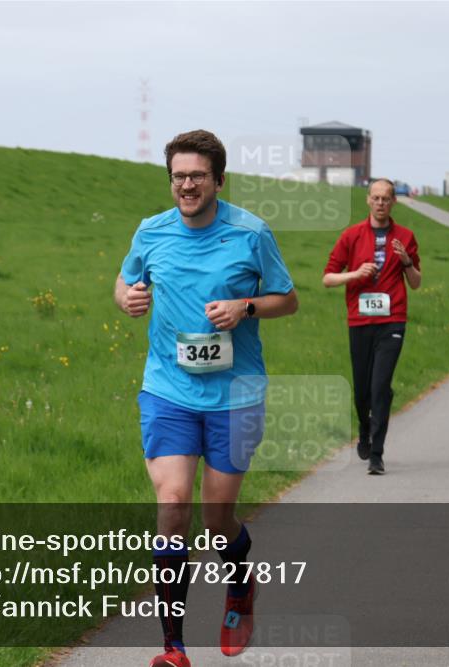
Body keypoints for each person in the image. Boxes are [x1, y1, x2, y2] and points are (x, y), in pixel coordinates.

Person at [115, 129, 298, 667]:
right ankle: (173, 648)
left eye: (197, 175)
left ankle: (240, 587)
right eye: (178, 176)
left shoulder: (250, 232)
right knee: (173, 504)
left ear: (218, 179)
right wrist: (128, 298)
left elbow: (288, 301)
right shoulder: (151, 232)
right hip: (168, 389)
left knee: (218, 520)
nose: (187, 185)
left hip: (235, 394)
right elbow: (124, 283)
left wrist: (245, 307)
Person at [323, 178, 421, 475]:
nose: (380, 203)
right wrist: (354, 274)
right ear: (368, 200)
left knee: (380, 387)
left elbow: (416, 283)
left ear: (394, 202)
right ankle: (364, 429)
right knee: (362, 391)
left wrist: (406, 261)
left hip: (393, 321)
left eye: (386, 198)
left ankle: (377, 454)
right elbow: (327, 278)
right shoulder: (351, 235)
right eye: (376, 198)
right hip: (360, 320)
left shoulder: (405, 236)